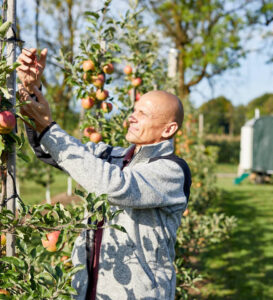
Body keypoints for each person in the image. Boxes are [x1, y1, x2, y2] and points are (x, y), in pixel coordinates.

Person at [17, 48, 191, 300]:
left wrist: (48, 127)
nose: (132, 117)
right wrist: (33, 89)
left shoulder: (171, 171)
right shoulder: (114, 156)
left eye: (142, 114)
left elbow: (114, 187)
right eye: (134, 110)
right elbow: (53, 149)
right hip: (89, 291)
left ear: (169, 129)